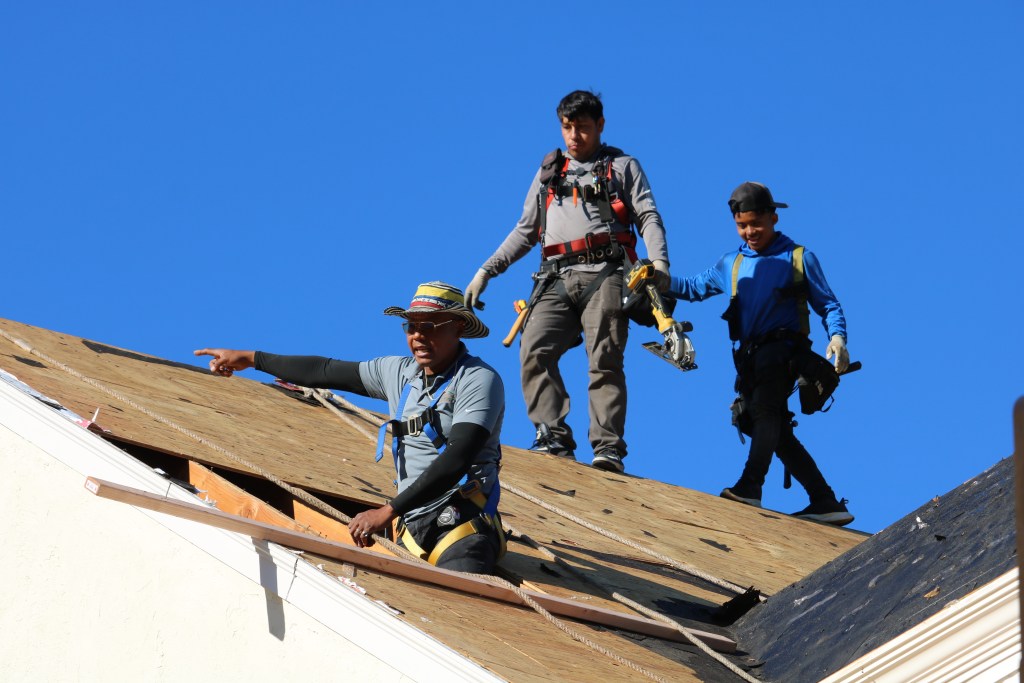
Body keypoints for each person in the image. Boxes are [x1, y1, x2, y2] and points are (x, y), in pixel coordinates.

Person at [194, 281, 507, 572]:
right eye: (411, 327)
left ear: (459, 328)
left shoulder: (478, 380)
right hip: (411, 527)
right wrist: (250, 358)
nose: (418, 337)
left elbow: (458, 458)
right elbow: (325, 370)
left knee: (461, 606)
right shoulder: (398, 372)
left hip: (461, 525)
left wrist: (387, 511)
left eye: (430, 327)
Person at [464, 89, 670, 474]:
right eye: (567, 127)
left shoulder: (622, 167)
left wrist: (659, 263)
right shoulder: (549, 171)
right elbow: (526, 230)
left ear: (600, 126)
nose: (574, 136)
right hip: (555, 277)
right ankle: (552, 435)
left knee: (604, 360)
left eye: (583, 128)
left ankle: (607, 448)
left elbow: (648, 216)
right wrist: (486, 270)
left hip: (607, 274)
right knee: (534, 349)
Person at [665, 182, 854, 525]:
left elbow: (828, 304)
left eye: (756, 224)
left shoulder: (798, 258)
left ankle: (751, 485)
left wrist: (838, 338)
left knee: (766, 411)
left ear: (773, 217)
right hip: (749, 360)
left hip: (783, 350)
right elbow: (693, 287)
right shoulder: (732, 263)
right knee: (768, 425)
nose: (749, 231)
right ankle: (825, 501)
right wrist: (658, 277)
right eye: (742, 225)